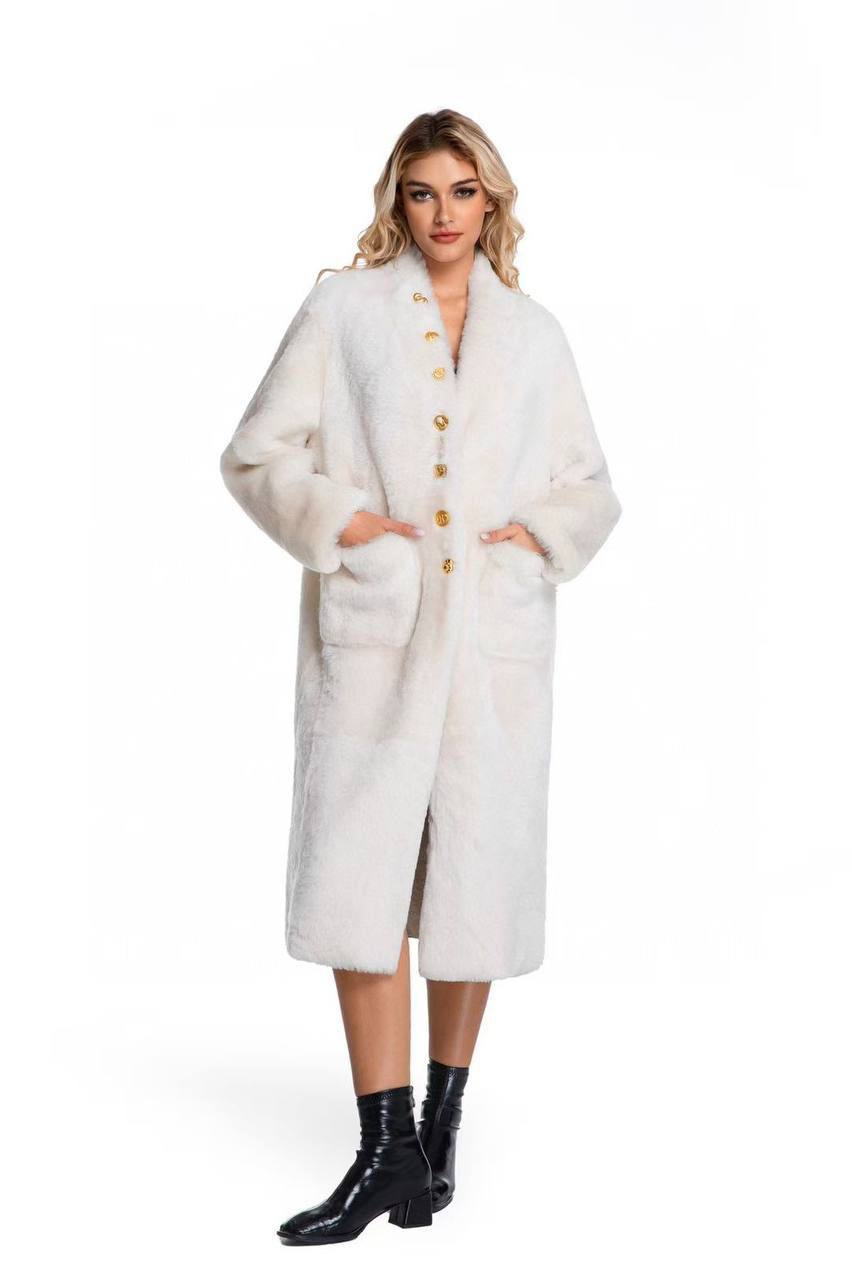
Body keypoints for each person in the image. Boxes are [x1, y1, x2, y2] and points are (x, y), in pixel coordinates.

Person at [219, 108, 622, 1245]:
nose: (443, 213)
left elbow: (590, 487)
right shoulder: (343, 312)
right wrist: (345, 522)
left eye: (463, 190)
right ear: (397, 199)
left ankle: (438, 1130)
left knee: (468, 889)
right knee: (360, 889)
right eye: (422, 191)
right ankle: (382, 1144)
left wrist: (536, 541)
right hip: (376, 643)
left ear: (492, 201)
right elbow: (255, 454)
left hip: (492, 654)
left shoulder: (533, 336)